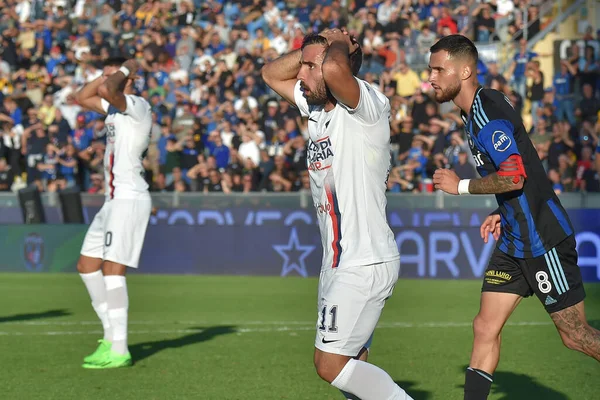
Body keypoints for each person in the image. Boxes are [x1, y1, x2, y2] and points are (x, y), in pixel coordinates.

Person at [428, 35, 600, 400]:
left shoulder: (486, 110)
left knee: (575, 336)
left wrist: (460, 187)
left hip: (541, 237)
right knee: (484, 326)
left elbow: (514, 175)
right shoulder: (473, 111)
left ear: (465, 70)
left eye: (438, 69)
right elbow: (523, 169)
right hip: (514, 236)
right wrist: (501, 210)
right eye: (431, 70)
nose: (431, 77)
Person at [262, 28, 413, 400]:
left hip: (363, 260)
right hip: (337, 262)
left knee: (328, 364)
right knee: (353, 361)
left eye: (311, 66)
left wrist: (339, 43)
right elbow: (270, 74)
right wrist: (310, 52)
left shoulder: (366, 105)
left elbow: (333, 72)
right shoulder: (316, 110)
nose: (301, 73)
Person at [74, 57, 153, 369]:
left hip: (129, 198)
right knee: (86, 265)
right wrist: (108, 73)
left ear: (127, 79)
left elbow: (107, 89)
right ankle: (110, 336)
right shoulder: (113, 108)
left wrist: (122, 72)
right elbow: (82, 97)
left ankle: (119, 348)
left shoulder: (137, 105)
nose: (103, 81)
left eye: (112, 76)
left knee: (112, 272)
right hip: (112, 200)